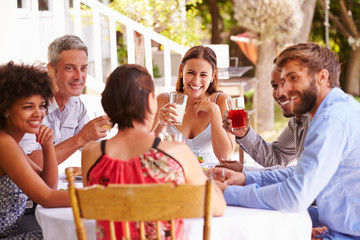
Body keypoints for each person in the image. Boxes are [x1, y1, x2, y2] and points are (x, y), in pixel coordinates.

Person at [210, 43, 360, 239]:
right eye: (281, 82)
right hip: (337, 221)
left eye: (293, 79)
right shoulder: (336, 109)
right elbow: (295, 169)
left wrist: (228, 193)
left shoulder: (330, 120)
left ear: (322, 77)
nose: (284, 90)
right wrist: (245, 179)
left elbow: (294, 196)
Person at [81, 64, 226, 240]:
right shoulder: (177, 154)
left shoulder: (91, 154)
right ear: (150, 101)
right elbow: (218, 208)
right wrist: (216, 187)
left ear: (108, 103)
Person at [0, 62, 70, 238]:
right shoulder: (4, 143)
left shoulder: (11, 143)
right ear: (5, 108)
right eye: (28, 107)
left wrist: (48, 147)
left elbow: (48, 186)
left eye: (42, 105)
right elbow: (46, 197)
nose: (39, 113)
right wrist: (104, 197)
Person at [20, 34, 110, 168]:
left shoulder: (75, 104)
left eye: (83, 68)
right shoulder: (31, 104)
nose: (79, 76)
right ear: (51, 69)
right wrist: (80, 139)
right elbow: (30, 163)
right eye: (70, 68)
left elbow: (94, 149)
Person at [220, 62, 311, 172]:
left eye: (285, 84)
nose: (279, 93)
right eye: (275, 86)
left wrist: (244, 172)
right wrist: (245, 133)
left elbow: (301, 175)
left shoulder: (317, 120)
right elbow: (276, 158)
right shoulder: (297, 120)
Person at [153, 45, 235, 164]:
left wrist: (214, 111)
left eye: (203, 75)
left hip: (210, 177)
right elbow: (146, 149)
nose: (196, 81)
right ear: (182, 71)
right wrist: (160, 124)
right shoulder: (164, 100)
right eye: (191, 73)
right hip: (174, 175)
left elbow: (225, 157)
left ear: (212, 76)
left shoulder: (222, 101)